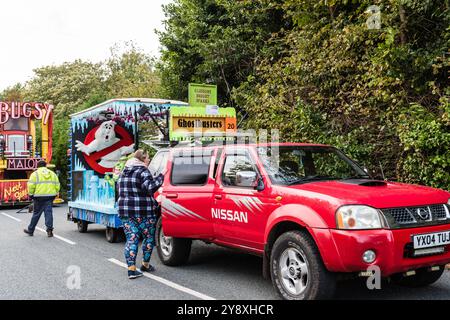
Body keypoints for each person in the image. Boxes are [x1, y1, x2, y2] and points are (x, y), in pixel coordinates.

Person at [118, 150, 164, 279]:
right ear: (143, 159)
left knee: (131, 239)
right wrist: (161, 177)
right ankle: (145, 264)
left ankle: (131, 269)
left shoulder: (124, 172)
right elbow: (150, 187)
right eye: (148, 158)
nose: (149, 160)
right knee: (148, 237)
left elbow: (119, 189)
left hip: (125, 211)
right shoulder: (143, 170)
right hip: (144, 211)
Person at [24, 160, 61, 237]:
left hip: (38, 197)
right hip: (50, 196)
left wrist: (31, 195)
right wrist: (55, 193)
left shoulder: (35, 174)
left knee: (36, 214)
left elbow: (31, 186)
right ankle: (49, 230)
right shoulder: (52, 174)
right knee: (48, 213)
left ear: (38, 166)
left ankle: (30, 230)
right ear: (46, 166)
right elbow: (57, 185)